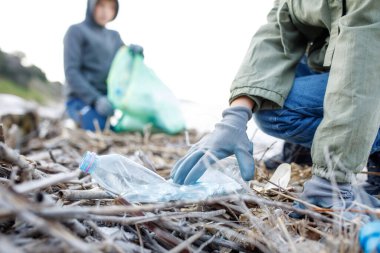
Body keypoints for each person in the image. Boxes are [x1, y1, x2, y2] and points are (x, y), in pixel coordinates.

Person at [171, 0, 380, 216]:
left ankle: (369, 143)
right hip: (349, 56)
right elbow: (277, 36)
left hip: (369, 62)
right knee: (278, 90)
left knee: (280, 112)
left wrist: (333, 178)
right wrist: (235, 116)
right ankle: (310, 149)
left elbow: (361, 64)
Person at [64, 0, 143, 131]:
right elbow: (71, 72)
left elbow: (125, 63)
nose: (105, 11)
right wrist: (95, 99)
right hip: (79, 100)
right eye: (101, 5)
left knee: (129, 128)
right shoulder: (76, 31)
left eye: (111, 7)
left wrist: (136, 53)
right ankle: (71, 118)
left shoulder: (114, 37)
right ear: (92, 5)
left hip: (107, 102)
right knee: (99, 127)